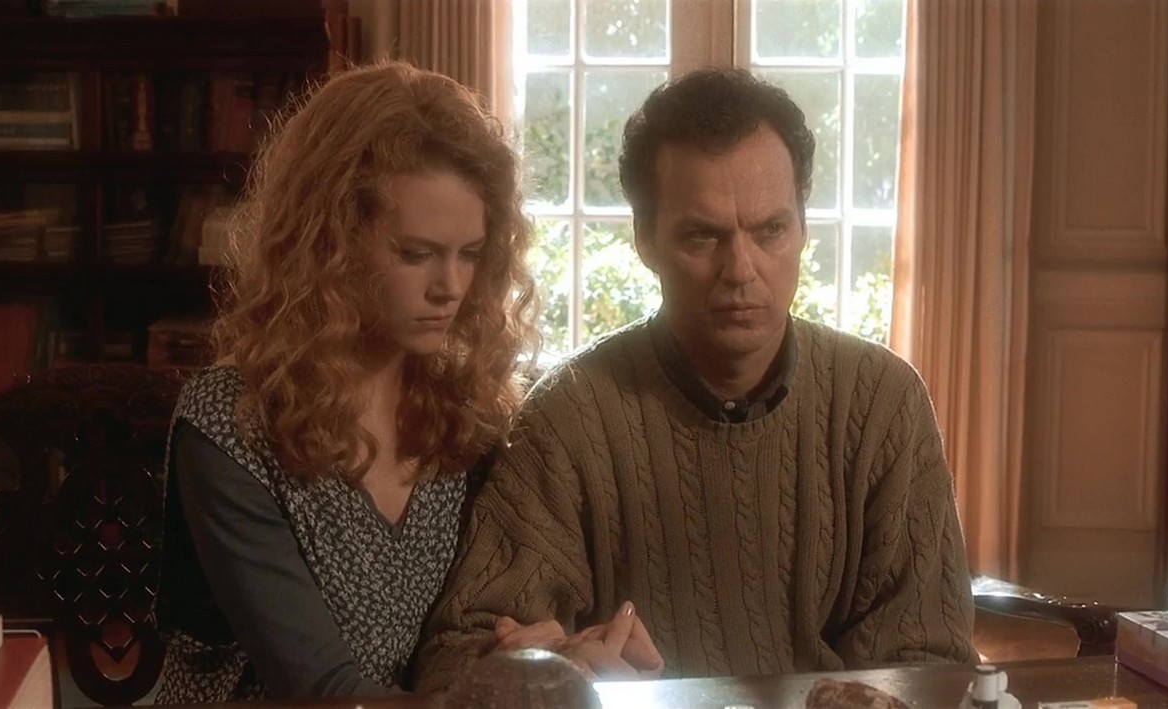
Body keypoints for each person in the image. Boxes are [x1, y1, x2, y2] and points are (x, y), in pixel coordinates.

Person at [415, 67, 979, 690]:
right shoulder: (571, 416)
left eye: (770, 230)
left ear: (802, 229)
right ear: (646, 240)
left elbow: (930, 660)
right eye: (702, 236)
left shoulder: (882, 402)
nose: (740, 269)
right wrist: (554, 666)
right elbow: (456, 659)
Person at [154, 61, 539, 702]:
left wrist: (552, 659)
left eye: (470, 254)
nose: (450, 287)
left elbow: (470, 632)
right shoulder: (233, 420)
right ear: (330, 243)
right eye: (416, 253)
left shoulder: (465, 406)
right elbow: (324, 692)